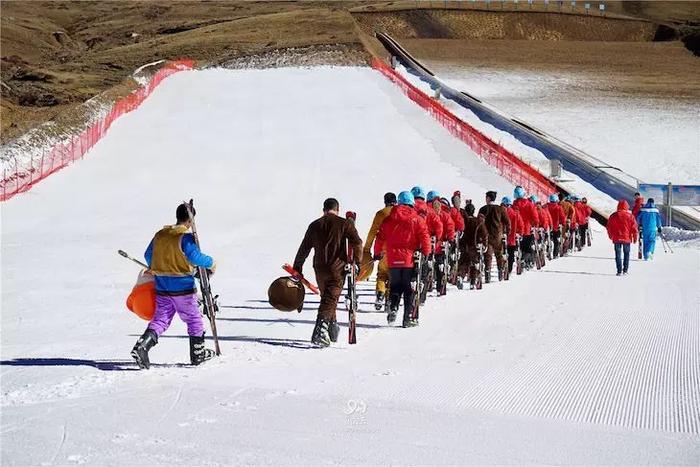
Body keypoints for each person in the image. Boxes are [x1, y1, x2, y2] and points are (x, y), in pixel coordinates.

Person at [131, 203, 217, 369]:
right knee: (193, 319)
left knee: (161, 319)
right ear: (191, 221)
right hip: (183, 287)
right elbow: (195, 257)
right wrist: (211, 262)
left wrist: (157, 266)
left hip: (162, 287)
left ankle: (142, 345)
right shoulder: (185, 237)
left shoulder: (160, 234)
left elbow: (148, 255)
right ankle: (198, 353)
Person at [293, 198, 363, 347]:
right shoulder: (344, 223)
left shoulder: (314, 225)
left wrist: (297, 267)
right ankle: (319, 331)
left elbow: (304, 248)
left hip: (319, 268)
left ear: (324, 209)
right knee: (330, 299)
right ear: (337, 209)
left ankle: (332, 327)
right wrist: (357, 263)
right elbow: (357, 242)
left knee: (327, 297)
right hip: (337, 268)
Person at [374, 191, 431, 326]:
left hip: (392, 259)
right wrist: (426, 252)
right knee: (408, 290)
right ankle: (407, 319)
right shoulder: (417, 219)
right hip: (409, 260)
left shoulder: (389, 218)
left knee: (395, 287)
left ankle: (393, 308)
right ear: (411, 203)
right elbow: (424, 236)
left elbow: (380, 237)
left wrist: (377, 253)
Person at [358, 192, 396, 310]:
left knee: (382, 273)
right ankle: (389, 301)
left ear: (385, 202)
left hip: (383, 249)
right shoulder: (401, 212)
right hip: (399, 250)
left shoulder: (380, 214)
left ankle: (380, 293)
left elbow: (373, 231)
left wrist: (367, 249)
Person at [478, 190, 511, 282]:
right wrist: (506, 233)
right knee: (499, 254)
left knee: (488, 255)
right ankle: (500, 271)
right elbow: (507, 222)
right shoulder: (500, 209)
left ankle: (487, 272)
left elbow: (479, 223)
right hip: (498, 235)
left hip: (487, 236)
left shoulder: (483, 209)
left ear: (488, 198)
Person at [428, 191, 455, 295]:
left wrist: (450, 238)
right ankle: (430, 284)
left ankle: (440, 286)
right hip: (432, 245)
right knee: (432, 265)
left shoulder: (444, 216)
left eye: (438, 205)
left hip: (439, 245)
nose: (436, 207)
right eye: (434, 205)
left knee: (440, 266)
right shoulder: (431, 215)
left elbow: (450, 227)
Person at [458, 202, 488, 289]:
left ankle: (460, 276)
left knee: (464, 262)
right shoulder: (478, 221)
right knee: (475, 263)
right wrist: (484, 245)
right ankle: (472, 282)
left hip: (464, 245)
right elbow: (485, 234)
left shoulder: (464, 221)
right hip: (475, 246)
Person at [606, 200, 638, 275]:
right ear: (627, 207)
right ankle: (625, 270)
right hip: (627, 238)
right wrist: (635, 237)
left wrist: (610, 235)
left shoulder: (613, 215)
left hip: (617, 238)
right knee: (626, 254)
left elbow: (609, 227)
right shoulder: (630, 216)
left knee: (618, 254)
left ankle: (619, 270)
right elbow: (634, 228)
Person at [513, 186, 538, 269]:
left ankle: (522, 261)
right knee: (527, 248)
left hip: (516, 229)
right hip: (527, 229)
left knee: (520, 246)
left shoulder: (514, 204)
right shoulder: (530, 204)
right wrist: (534, 224)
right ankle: (525, 260)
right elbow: (535, 217)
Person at [501, 197, 524, 274]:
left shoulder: (500, 212)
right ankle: (509, 269)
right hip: (512, 238)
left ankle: (502, 268)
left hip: (501, 237)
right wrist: (520, 233)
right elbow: (521, 225)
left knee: (502, 253)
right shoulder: (515, 213)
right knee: (511, 254)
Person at [546, 194, 566, 258]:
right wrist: (563, 223)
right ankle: (555, 254)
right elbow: (562, 217)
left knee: (547, 239)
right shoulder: (558, 207)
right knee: (556, 241)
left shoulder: (546, 206)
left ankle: (547, 252)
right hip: (556, 226)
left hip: (547, 226)